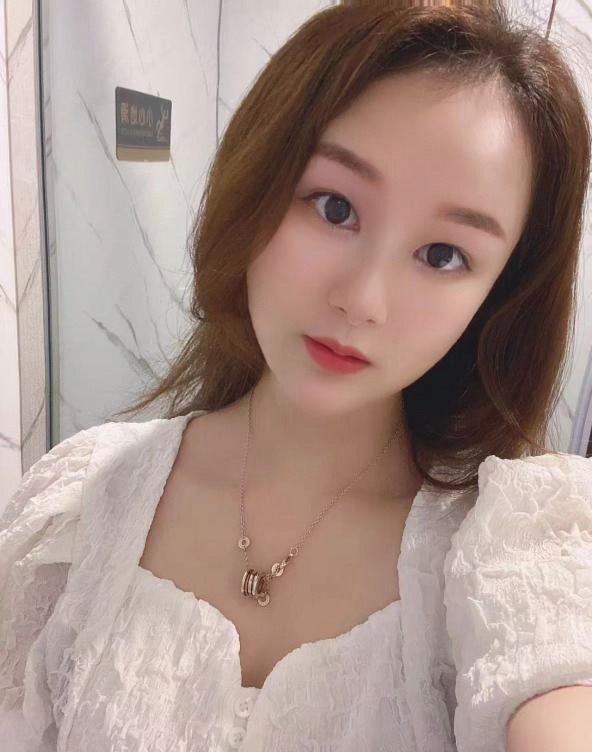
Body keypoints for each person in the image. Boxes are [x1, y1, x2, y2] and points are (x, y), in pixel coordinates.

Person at [1, 1, 591, 750]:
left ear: (499, 297)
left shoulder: (513, 552)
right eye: (335, 207)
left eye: (443, 255)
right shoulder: (80, 510)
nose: (363, 300)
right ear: (259, 179)